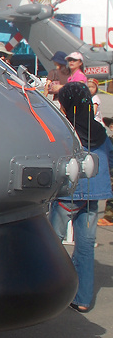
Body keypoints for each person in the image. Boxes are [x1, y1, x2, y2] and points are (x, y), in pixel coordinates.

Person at [49, 82, 112, 312]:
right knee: (85, 246)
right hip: (95, 195)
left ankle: (51, 292)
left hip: (68, 196)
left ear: (66, 106)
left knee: (52, 242)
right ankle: (83, 299)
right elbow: (109, 158)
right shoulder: (99, 130)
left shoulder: (66, 129)